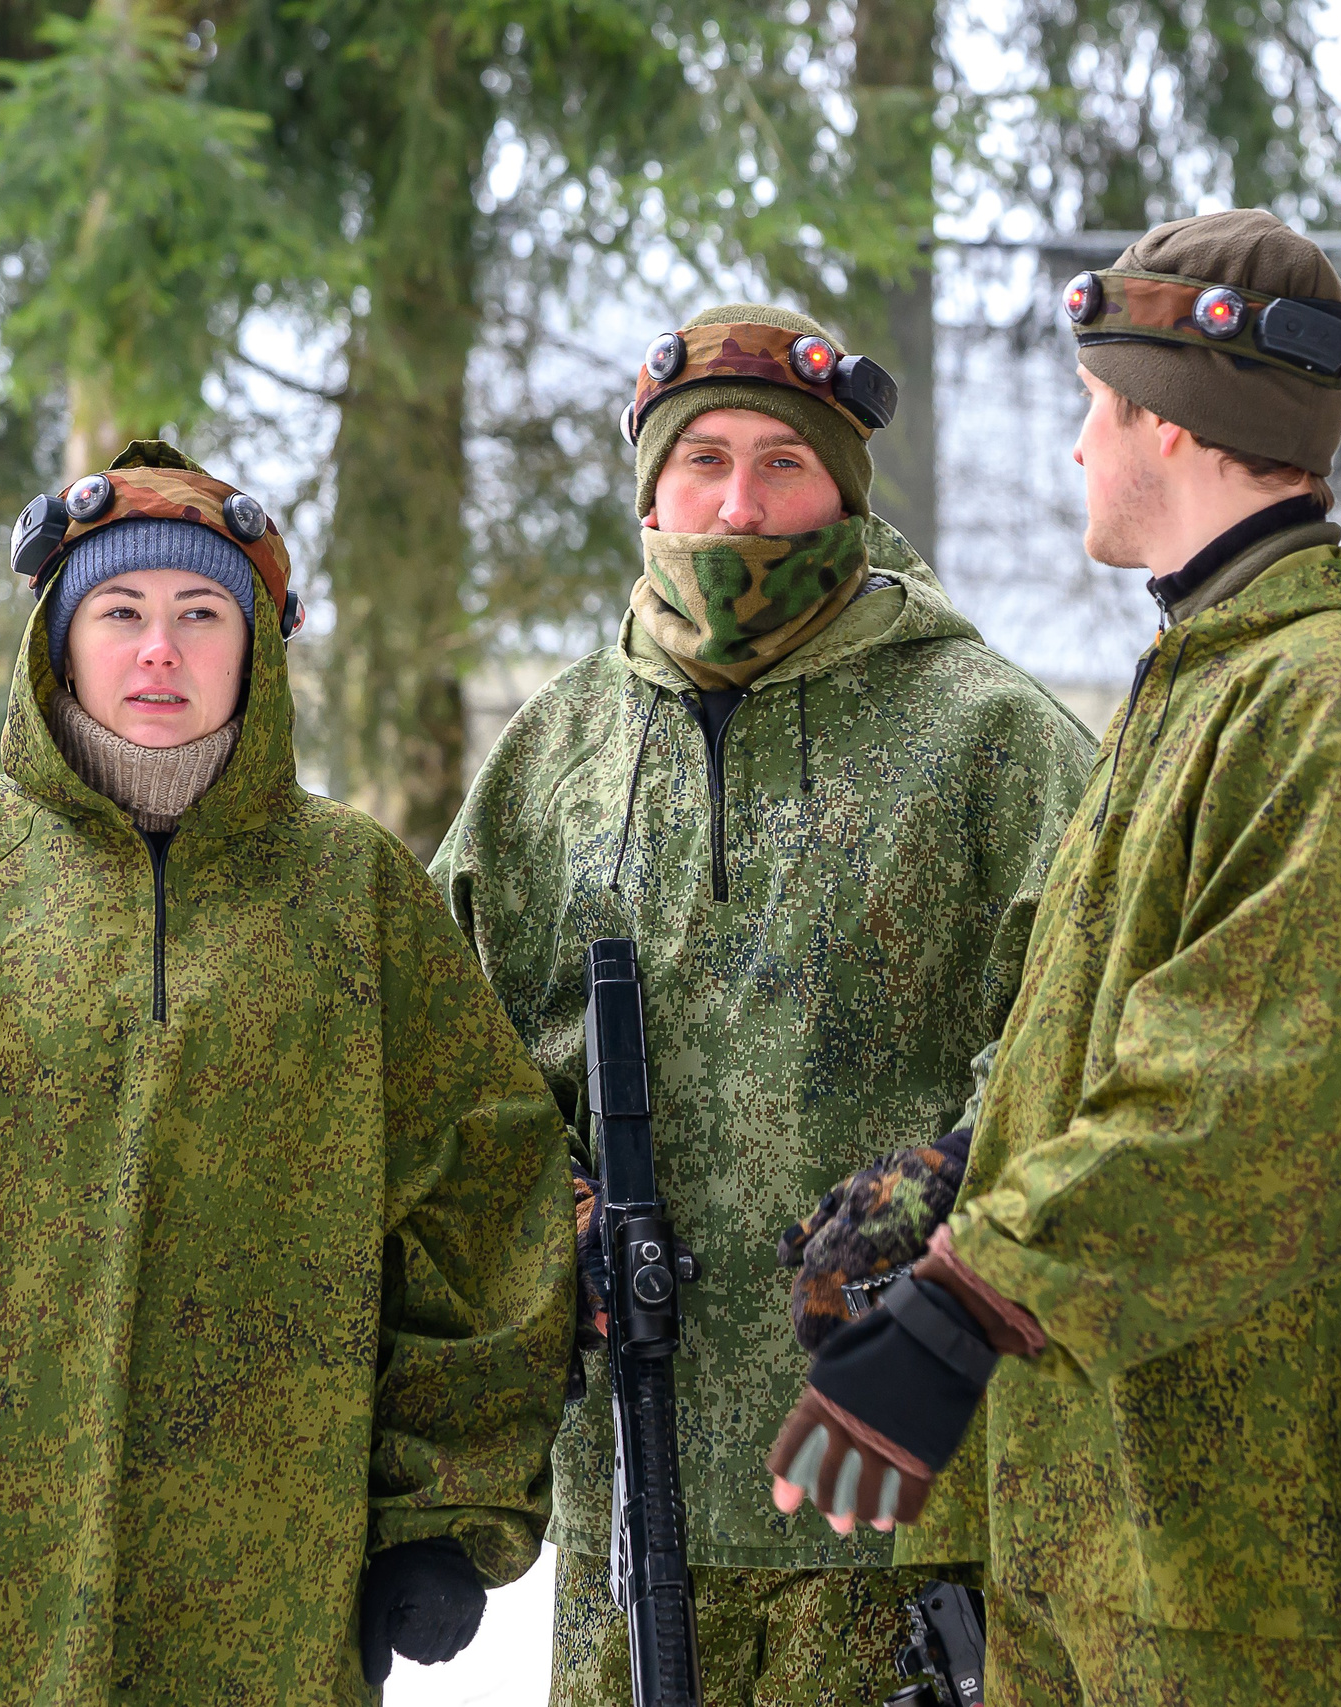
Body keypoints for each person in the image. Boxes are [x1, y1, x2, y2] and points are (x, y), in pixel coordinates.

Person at [765, 208, 1341, 1707]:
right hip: (1106, 1528)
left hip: (1246, 1557)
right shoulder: (1208, 679)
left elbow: (1256, 1099)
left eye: (1095, 405)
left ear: (1168, 422)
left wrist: (969, 1302)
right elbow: (1120, 1038)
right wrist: (955, 1178)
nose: (1076, 446)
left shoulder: (1336, 705)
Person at [0, 440, 575, 1699]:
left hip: (269, 1605)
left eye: (200, 614)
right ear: (60, 641)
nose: (159, 649)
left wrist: (442, 1512)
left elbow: (486, 1205)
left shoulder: (354, 893)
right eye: (120, 611)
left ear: (256, 648)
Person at [429, 304, 1097, 1707]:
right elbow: (438, 1069)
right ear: (650, 494)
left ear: (844, 494)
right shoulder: (551, 755)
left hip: (899, 1488)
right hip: (631, 1497)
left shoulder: (991, 737)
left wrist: (935, 1202)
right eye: (705, 462)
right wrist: (546, 1210)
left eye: (784, 463)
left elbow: (1089, 1035)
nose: (740, 506)